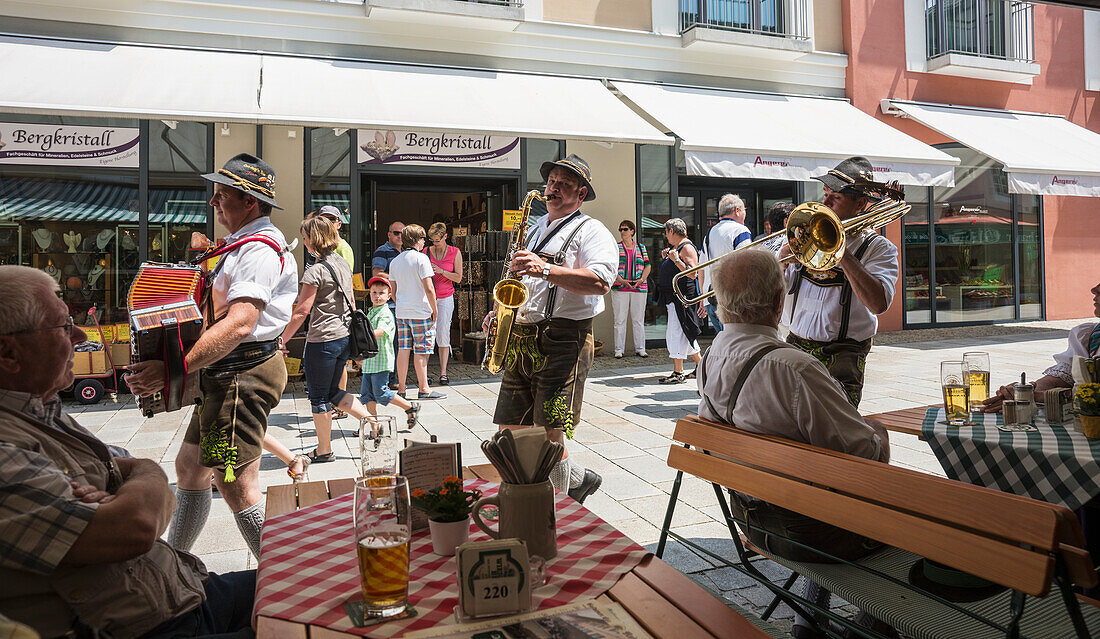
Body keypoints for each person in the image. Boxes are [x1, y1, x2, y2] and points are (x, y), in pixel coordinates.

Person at [0, 266, 255, 639]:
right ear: (7, 352)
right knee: (220, 476)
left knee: (315, 578)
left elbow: (127, 475)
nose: (79, 334)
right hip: (150, 625)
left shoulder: (41, 408)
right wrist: (137, 479)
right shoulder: (8, 449)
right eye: (60, 325)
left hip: (183, 589)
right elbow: (135, 525)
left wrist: (130, 478)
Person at [700, 249, 891, 639]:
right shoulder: (793, 368)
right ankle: (871, 628)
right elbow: (867, 455)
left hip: (751, 521)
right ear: (778, 300)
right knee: (918, 523)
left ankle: (810, 621)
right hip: (811, 533)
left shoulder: (710, 356)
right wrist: (879, 433)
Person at [127, 153, 298, 560]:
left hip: (242, 374)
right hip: (224, 373)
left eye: (222, 195)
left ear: (249, 202)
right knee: (189, 468)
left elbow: (240, 324)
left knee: (235, 484)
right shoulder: (242, 246)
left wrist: (172, 370)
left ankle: (280, 575)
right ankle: (173, 561)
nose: (213, 202)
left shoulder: (257, 251)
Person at [481, 154, 615, 503]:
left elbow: (601, 282)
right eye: (551, 180)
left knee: (550, 432)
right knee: (509, 431)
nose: (553, 187)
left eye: (564, 184)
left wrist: (544, 269)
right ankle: (572, 483)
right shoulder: (536, 227)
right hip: (522, 336)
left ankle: (555, 506)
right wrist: (500, 312)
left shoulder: (593, 230)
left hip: (564, 339)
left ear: (581, 193)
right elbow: (519, 280)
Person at [779, 157, 898, 408]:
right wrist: (779, 263)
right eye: (825, 194)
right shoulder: (805, 238)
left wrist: (842, 252)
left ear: (860, 204)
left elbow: (878, 303)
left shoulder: (879, 248)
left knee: (833, 432)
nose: (825, 203)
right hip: (795, 346)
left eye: (836, 197)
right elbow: (772, 295)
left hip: (842, 355)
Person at [278, 216, 379, 462]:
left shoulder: (315, 270)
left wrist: (281, 340)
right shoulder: (342, 264)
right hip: (344, 337)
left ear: (314, 239)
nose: (303, 241)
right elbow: (352, 302)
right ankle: (374, 424)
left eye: (305, 237)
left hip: (322, 340)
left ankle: (324, 451)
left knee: (319, 396)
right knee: (334, 391)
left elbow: (301, 311)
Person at [983, 280, 1100, 412]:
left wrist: (1041, 397)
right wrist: (1026, 391)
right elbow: (1064, 377)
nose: (1094, 289)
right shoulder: (1090, 335)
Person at [390, 224, 446, 400]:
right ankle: (424, 388)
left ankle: (401, 388)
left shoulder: (395, 261)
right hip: (421, 312)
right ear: (416, 240)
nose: (424, 242)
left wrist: (402, 303)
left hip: (402, 311)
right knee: (421, 351)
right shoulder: (422, 259)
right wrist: (434, 309)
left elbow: (393, 290)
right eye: (423, 239)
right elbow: (429, 288)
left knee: (403, 349)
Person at [359, 276, 421, 427]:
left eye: (381, 293)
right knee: (367, 395)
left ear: (389, 296)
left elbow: (380, 331)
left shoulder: (385, 313)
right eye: (374, 292)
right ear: (370, 294)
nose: (377, 296)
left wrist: (362, 335)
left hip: (381, 361)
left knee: (380, 392)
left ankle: (409, 407)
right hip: (370, 361)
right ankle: (374, 425)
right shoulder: (371, 312)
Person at [657, 218, 704, 384]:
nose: (666, 236)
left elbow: (693, 273)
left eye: (666, 232)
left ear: (671, 231)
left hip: (682, 298)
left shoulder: (687, 247)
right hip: (674, 297)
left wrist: (676, 260)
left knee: (678, 332)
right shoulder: (677, 248)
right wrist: (670, 258)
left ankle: (679, 372)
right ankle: (701, 366)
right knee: (683, 333)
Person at [700, 194, 753, 332]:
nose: (745, 214)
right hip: (732, 301)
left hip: (710, 299)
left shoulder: (710, 233)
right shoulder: (740, 230)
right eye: (744, 210)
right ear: (737, 210)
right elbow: (747, 264)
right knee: (738, 345)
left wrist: (702, 299)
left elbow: (701, 269)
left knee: (725, 344)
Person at [424, 222, 463, 385]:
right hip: (427, 298)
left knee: (443, 334)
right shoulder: (426, 251)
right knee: (426, 334)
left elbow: (459, 278)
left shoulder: (455, 252)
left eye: (437, 240)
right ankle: (423, 373)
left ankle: (443, 372)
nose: (435, 243)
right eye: (432, 240)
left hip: (446, 297)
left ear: (445, 236)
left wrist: (442, 271)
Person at [611, 219, 650, 359]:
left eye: (625, 229)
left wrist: (641, 280)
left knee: (638, 319)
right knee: (619, 319)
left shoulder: (641, 247)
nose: (622, 232)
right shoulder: (616, 247)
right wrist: (621, 280)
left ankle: (640, 349)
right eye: (620, 229)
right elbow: (612, 266)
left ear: (632, 231)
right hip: (620, 286)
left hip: (639, 287)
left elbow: (648, 265)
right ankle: (618, 350)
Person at [373, 220, 405, 389]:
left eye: (402, 233)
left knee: (402, 344)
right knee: (392, 343)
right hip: (390, 305)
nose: (399, 236)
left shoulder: (407, 251)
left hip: (403, 304)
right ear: (389, 235)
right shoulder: (382, 251)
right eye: (396, 233)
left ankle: (399, 377)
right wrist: (398, 277)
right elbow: (377, 273)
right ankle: (391, 379)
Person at [316, 205, 356, 271]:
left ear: (339, 224)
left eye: (332, 219)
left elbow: (346, 277)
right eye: (324, 219)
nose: (328, 222)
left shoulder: (344, 248)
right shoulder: (319, 245)